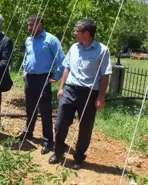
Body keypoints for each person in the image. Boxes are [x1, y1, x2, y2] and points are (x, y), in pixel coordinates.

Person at [48, 19, 112, 170]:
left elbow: (105, 75)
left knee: (85, 127)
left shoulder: (102, 50)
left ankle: (79, 157)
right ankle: (58, 153)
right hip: (70, 89)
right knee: (60, 123)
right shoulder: (74, 48)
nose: (74, 33)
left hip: (89, 93)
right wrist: (61, 88)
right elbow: (67, 68)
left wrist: (101, 97)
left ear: (87, 33)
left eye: (77, 31)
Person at [19, 15, 65, 155]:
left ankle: (47, 141)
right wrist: (25, 71)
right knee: (30, 107)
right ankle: (29, 132)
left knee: (45, 109)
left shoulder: (51, 40)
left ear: (40, 24)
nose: (29, 28)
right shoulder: (28, 40)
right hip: (30, 78)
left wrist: (56, 76)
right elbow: (27, 56)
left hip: (44, 78)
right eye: (28, 25)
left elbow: (62, 60)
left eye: (31, 25)